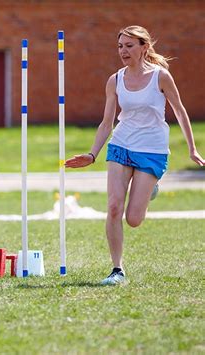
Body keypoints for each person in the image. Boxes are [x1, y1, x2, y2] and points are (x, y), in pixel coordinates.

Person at [65, 25, 204, 285]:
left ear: (144, 47)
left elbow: (181, 111)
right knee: (114, 206)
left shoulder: (161, 77)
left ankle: (150, 188)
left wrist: (192, 148)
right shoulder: (115, 80)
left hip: (152, 149)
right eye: (120, 46)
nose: (123, 51)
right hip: (121, 145)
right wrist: (92, 154)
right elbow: (107, 122)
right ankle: (117, 270)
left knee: (134, 219)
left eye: (129, 46)